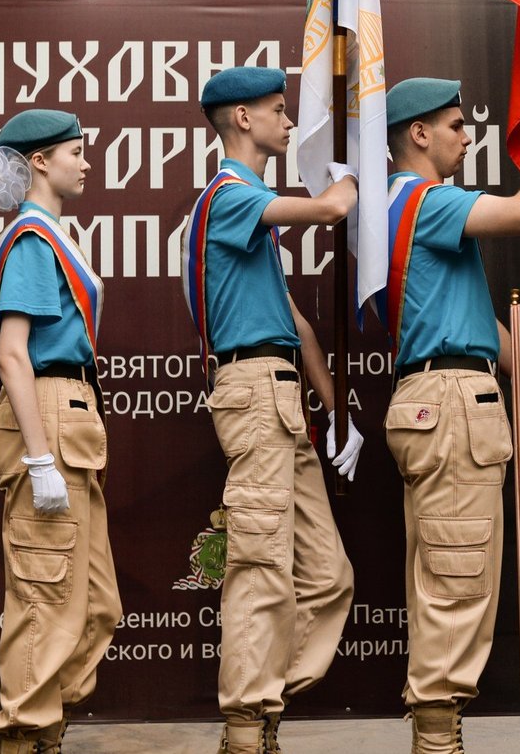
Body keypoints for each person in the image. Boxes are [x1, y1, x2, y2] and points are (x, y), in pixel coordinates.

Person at [184, 67, 365, 754]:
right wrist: (351, 175)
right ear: (240, 120)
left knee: (326, 576)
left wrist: (335, 410)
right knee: (260, 568)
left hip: (282, 395)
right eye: (279, 111)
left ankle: (259, 707)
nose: (288, 124)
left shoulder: (252, 216)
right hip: (254, 392)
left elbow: (299, 326)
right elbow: (328, 211)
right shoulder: (229, 195)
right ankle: (245, 729)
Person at [381, 76, 520, 754]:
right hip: (451, 402)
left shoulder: (412, 205)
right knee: (457, 582)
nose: (467, 134)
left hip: (444, 396)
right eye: (455, 124)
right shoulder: (425, 199)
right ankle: (437, 740)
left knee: (450, 574)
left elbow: (471, 315)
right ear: (418, 134)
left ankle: (437, 731)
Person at [0, 109, 118, 754]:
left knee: (94, 603)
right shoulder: (32, 238)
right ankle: (26, 736)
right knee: (46, 596)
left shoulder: (52, 232)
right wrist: (39, 458)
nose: (86, 162)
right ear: (39, 163)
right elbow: (12, 354)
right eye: (76, 151)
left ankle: (42, 726)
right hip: (48, 412)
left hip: (67, 412)